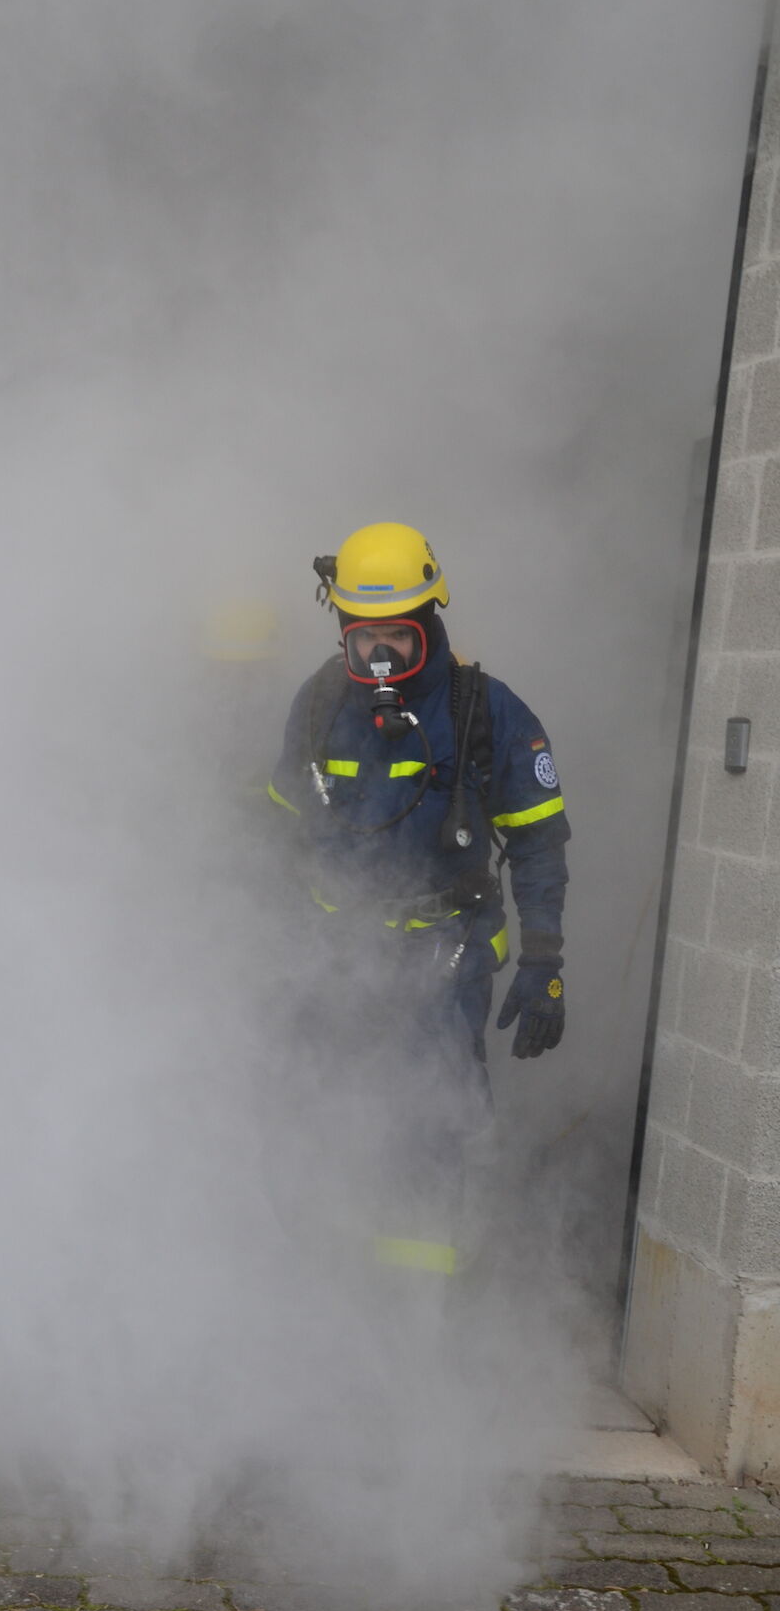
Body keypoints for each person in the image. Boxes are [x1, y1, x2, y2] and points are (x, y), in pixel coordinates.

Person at [266, 521, 570, 1278]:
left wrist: (543, 959)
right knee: (323, 1118)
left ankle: (414, 1320)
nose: (378, 657)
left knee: (427, 1134)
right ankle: (327, 1293)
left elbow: (537, 846)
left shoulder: (486, 712)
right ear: (340, 624)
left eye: (396, 637)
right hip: (334, 959)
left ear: (431, 620)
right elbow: (278, 831)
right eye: (362, 637)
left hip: (445, 961)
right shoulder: (316, 705)